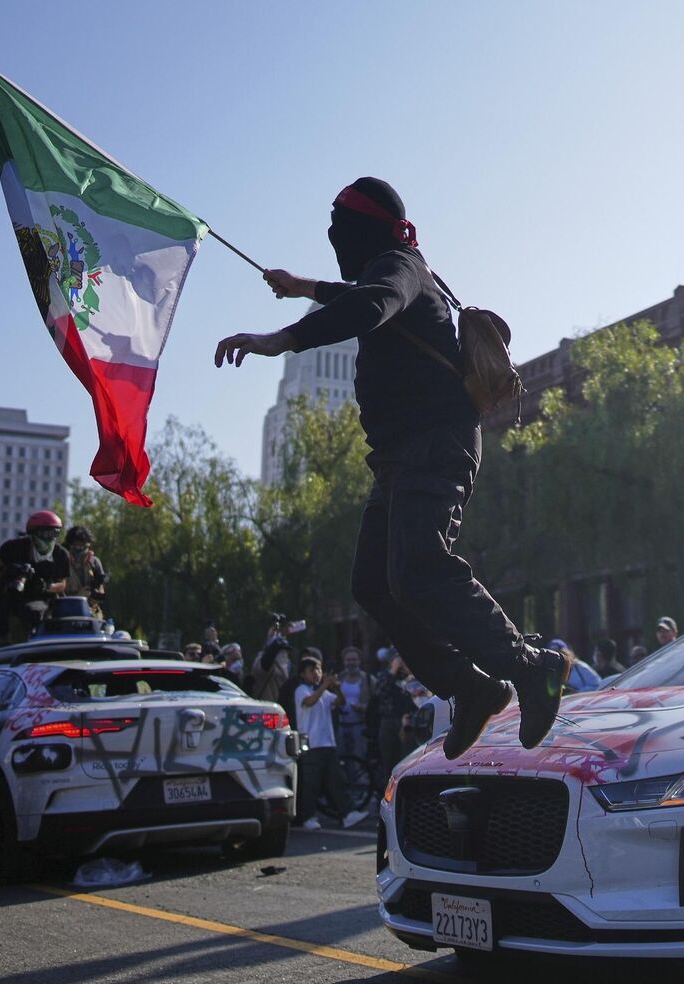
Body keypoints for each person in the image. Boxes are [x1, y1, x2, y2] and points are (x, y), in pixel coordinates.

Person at [214, 176, 570, 759]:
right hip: (401, 458)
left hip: (434, 445)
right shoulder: (395, 268)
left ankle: (531, 667)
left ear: (367, 230)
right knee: (374, 582)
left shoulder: (400, 266)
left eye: (340, 228)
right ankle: (470, 687)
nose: (333, 238)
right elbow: (361, 292)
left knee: (419, 567)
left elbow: (372, 301)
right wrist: (302, 287)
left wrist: (283, 339)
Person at [0, 511, 72, 650]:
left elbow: (63, 584)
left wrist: (46, 587)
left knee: (35, 616)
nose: (49, 537)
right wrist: (9, 572)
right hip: (8, 602)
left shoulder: (61, 554)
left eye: (54, 533)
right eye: (45, 533)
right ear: (33, 533)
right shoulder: (12, 548)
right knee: (1, 642)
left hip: (41, 603)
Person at [292, 657, 350, 830]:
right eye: (312, 671)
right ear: (302, 674)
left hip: (327, 742)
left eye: (318, 670)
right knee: (311, 783)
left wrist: (337, 688)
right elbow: (309, 702)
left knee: (335, 780)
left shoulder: (323, 692)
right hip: (311, 743)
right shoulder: (301, 690)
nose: (316, 674)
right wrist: (325, 685)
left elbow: (340, 702)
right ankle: (308, 817)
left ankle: (347, 813)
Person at [374, 652, 418, 779]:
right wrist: (393, 670)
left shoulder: (415, 677)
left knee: (409, 761)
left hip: (410, 723)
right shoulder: (385, 676)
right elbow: (380, 693)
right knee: (390, 762)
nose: (402, 663)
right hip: (390, 723)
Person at [335, 647, 372, 771]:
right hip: (340, 725)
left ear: (359, 661)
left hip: (360, 725)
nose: (351, 662)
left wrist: (362, 708)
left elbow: (375, 704)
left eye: (354, 659)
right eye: (348, 660)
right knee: (340, 759)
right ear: (344, 661)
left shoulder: (368, 680)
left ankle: (359, 781)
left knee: (359, 758)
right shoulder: (338, 678)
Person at [63, 525, 108, 609]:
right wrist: (79, 597)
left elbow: (101, 590)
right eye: (76, 545)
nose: (79, 549)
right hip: (67, 610)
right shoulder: (62, 563)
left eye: (83, 545)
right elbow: (57, 596)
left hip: (91, 610)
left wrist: (95, 595)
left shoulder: (94, 562)